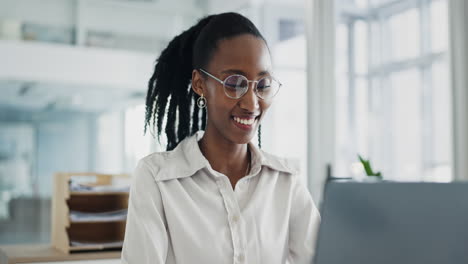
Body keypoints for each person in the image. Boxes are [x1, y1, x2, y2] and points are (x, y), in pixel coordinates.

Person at [121, 12, 320, 264]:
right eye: (234, 83)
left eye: (262, 84)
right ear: (200, 84)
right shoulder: (157, 179)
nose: (251, 103)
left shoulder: (286, 181)